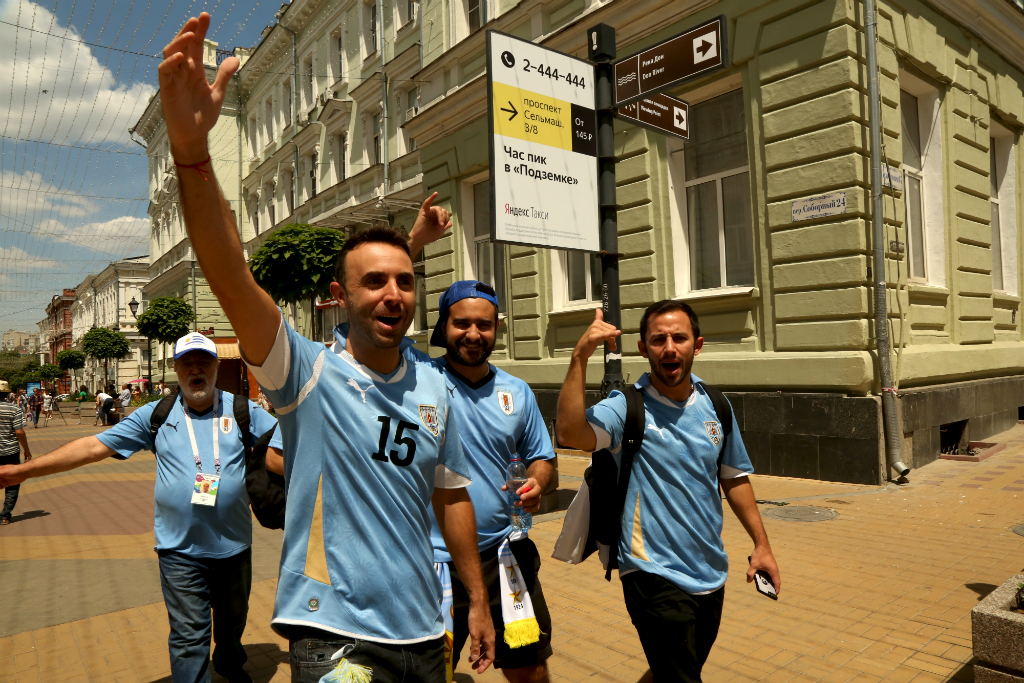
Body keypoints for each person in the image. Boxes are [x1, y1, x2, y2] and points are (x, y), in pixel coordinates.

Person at [158, 13, 495, 681]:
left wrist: (476, 598)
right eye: (373, 281)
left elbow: (452, 496)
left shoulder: (434, 387)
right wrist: (193, 155)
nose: (393, 292)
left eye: (405, 279)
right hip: (334, 636)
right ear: (339, 297)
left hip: (428, 631)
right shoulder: (304, 372)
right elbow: (229, 271)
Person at [0, 332, 283, 682]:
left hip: (234, 547)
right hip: (179, 551)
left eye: (204, 361)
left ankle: (228, 661)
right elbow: (92, 448)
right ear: (176, 369)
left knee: (232, 622)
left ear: (215, 366)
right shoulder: (156, 414)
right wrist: (23, 471)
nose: (196, 368)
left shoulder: (244, 411)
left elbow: (284, 450)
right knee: (188, 636)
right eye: (187, 362)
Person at [331, 281, 557, 681]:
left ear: (497, 328)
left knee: (530, 666)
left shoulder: (517, 391)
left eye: (484, 325)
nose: (473, 334)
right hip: (425, 562)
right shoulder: (416, 376)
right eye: (462, 323)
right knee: (432, 673)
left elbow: (542, 457)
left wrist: (537, 481)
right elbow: (366, 329)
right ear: (443, 327)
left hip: (503, 557)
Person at [555, 301, 782, 682]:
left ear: (698, 344)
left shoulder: (716, 406)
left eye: (679, 337)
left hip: (710, 570)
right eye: (658, 339)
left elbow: (734, 477)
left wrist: (762, 545)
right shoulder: (626, 407)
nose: (670, 347)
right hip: (650, 571)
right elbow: (571, 434)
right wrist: (580, 356)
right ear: (644, 349)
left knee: (676, 669)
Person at [0, 389, 31, 525]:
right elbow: (19, 431)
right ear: (7, 394)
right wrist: (27, 450)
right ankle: (5, 516)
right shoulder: (14, 408)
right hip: (11, 451)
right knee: (12, 482)